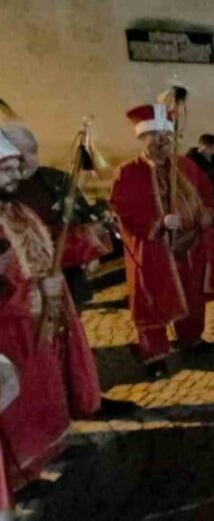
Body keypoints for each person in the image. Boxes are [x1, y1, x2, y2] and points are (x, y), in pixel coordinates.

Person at [5, 124, 136, 418]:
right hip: (23, 307)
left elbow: (54, 238)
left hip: (59, 285)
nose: (27, 163)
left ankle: (81, 399)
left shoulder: (47, 183)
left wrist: (93, 235)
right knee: (37, 364)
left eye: (31, 153)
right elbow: (25, 255)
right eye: (17, 160)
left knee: (68, 348)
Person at [0, 128, 102, 502]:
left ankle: (48, 452)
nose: (16, 175)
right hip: (10, 329)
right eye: (6, 169)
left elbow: (45, 253)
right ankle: (17, 478)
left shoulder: (17, 209)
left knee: (47, 389)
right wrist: (32, 291)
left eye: (16, 166)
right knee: (19, 404)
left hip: (39, 320)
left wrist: (87, 241)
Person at [110, 104, 214, 378]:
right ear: (142, 138)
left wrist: (207, 212)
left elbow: (206, 191)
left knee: (192, 293)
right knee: (152, 299)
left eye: (166, 134)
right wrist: (158, 222)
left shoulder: (185, 165)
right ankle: (154, 354)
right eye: (156, 135)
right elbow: (122, 209)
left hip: (191, 245)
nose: (163, 141)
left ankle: (191, 338)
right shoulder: (128, 172)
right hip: (154, 249)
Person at [6, 125, 112, 306]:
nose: (27, 159)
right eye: (19, 155)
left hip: (68, 272)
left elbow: (82, 216)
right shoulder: (5, 189)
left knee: (70, 324)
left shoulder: (57, 179)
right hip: (26, 282)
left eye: (31, 151)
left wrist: (91, 252)